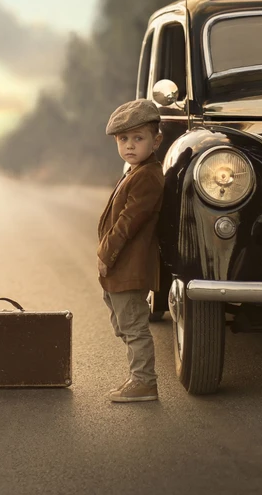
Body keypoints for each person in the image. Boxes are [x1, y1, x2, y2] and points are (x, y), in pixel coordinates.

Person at [97, 99, 165, 402]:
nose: (129, 146)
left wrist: (105, 253)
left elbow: (128, 222)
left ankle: (144, 382)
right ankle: (136, 376)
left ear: (156, 140)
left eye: (138, 138)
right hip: (120, 268)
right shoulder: (135, 170)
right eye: (123, 139)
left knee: (134, 326)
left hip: (129, 266)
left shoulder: (148, 176)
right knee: (123, 323)